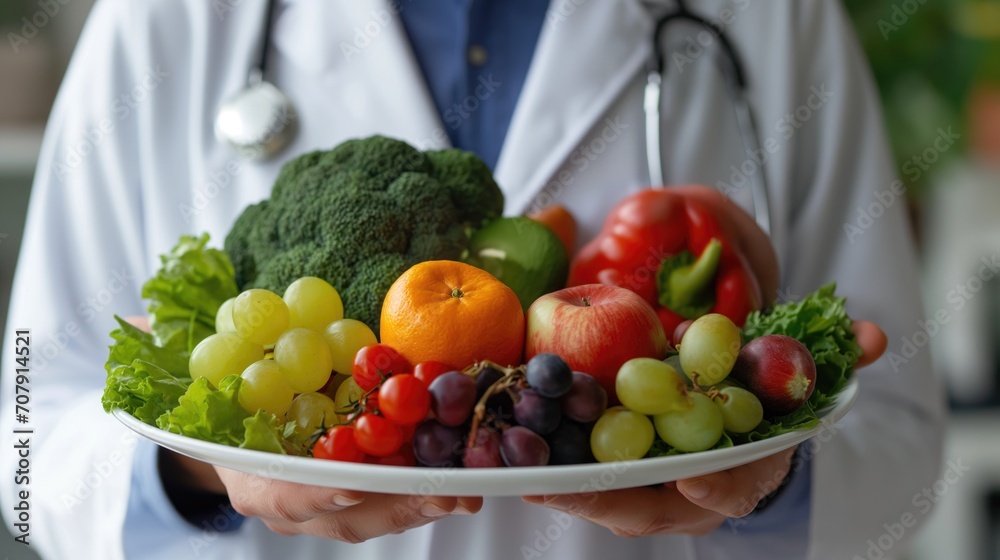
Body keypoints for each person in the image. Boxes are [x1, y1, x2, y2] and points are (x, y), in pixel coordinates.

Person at [0, 1, 945, 559]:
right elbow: (24, 428)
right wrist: (196, 468)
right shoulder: (163, 20)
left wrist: (770, 485)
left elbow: (899, 436)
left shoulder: (774, 20)